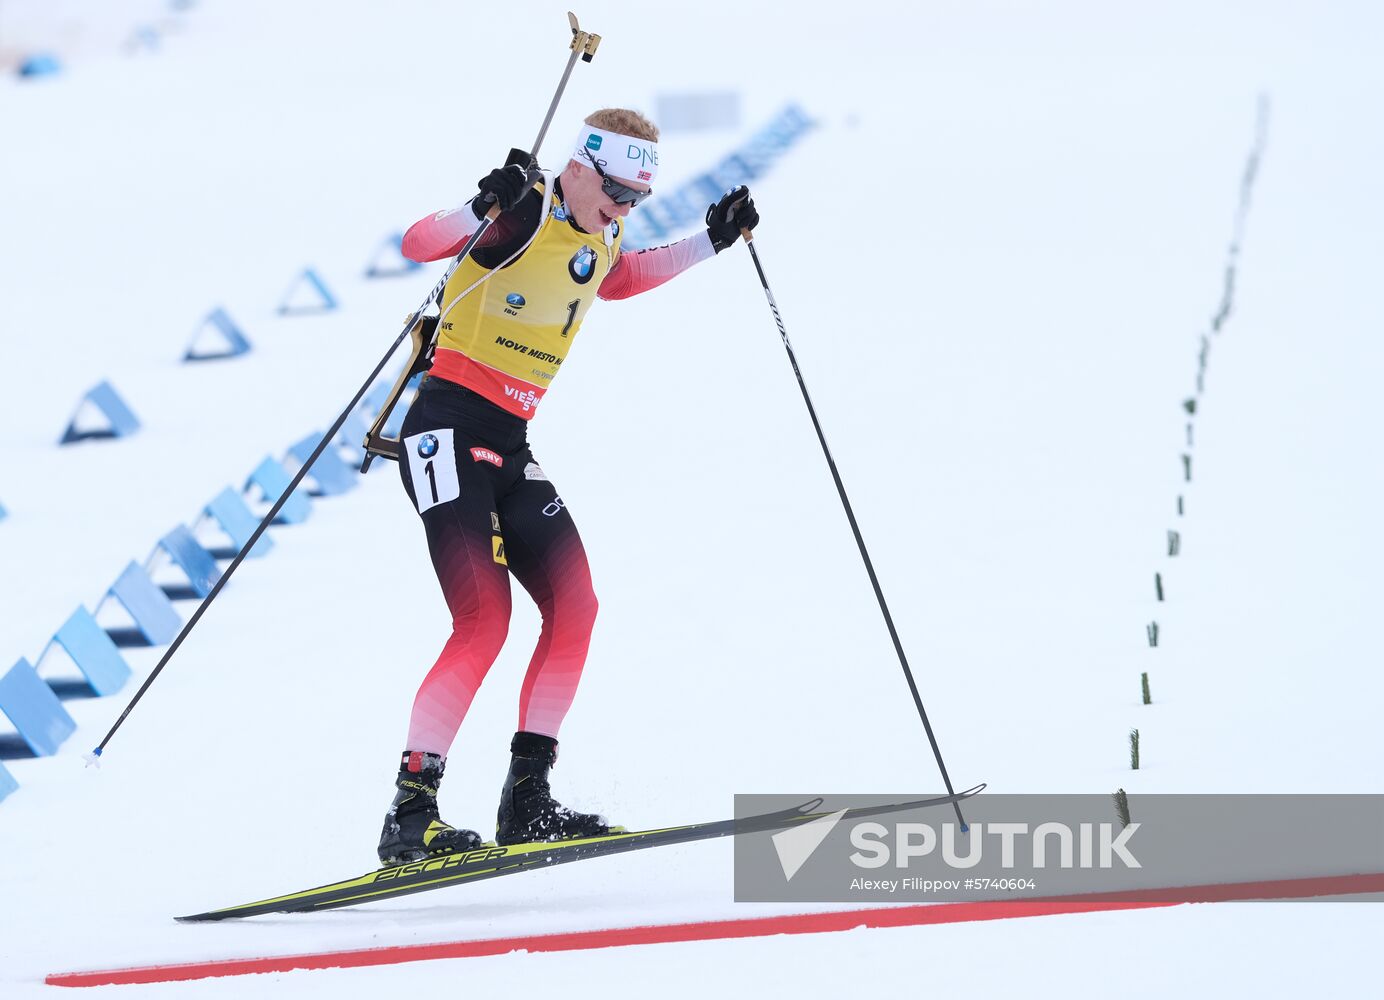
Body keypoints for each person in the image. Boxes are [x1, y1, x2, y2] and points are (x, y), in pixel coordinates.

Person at [377, 108, 760, 865]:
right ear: (580, 166)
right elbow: (417, 243)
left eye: (637, 200)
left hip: (509, 442)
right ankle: (410, 813)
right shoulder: (522, 209)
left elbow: (616, 280)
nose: (622, 210)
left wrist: (711, 242)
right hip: (446, 427)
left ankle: (527, 798)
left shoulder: (602, 227)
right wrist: (479, 204)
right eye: (615, 192)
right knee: (484, 619)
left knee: (575, 604)